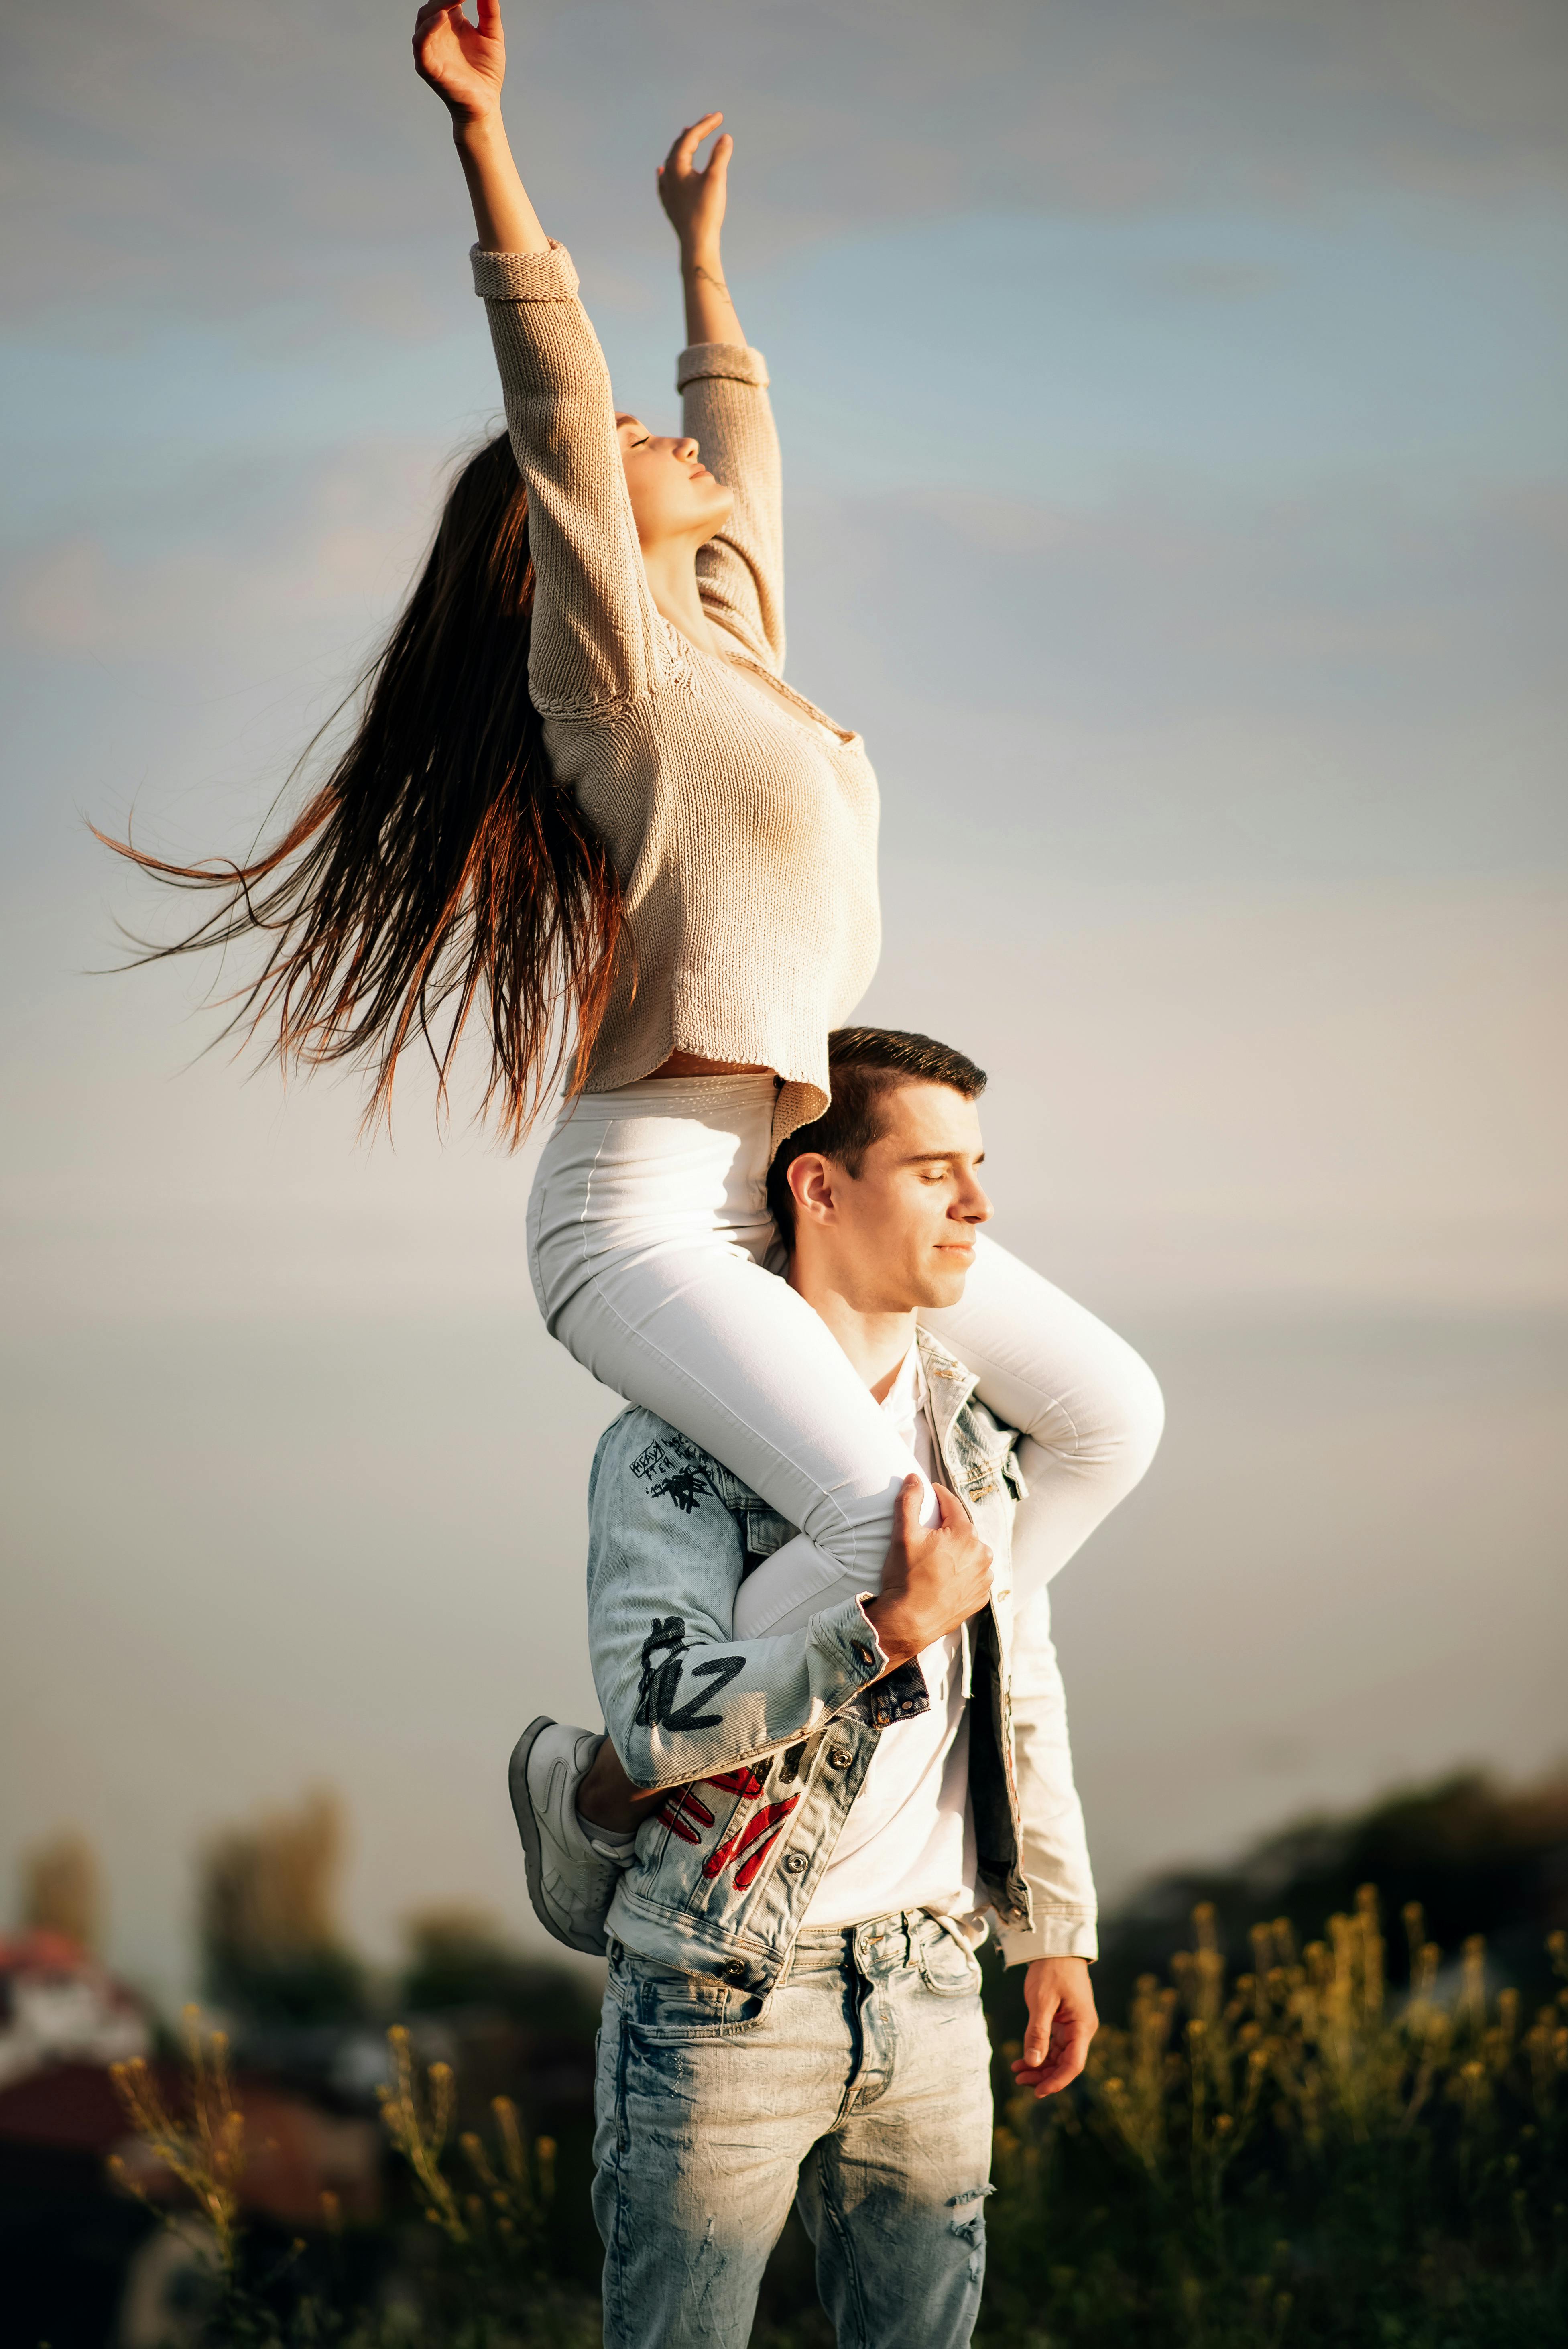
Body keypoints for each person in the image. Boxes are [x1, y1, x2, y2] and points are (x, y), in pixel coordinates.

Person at [102, 2, 1161, 1649]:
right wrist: (482, 139)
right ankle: (633, 1781)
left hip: (771, 1190)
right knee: (881, 1527)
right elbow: (553, 398)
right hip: (643, 1213)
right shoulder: (611, 678)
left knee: (1104, 1415)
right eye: (623, 450)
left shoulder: (732, 657)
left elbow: (737, 453)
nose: (656, 442)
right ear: (565, 528)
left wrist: (703, 264)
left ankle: (900, 1691)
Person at [513, 1027, 1100, 2349]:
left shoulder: (974, 1434)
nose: (979, 1208)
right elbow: (661, 1706)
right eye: (935, 1171)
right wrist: (883, 1627)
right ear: (817, 1190)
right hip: (721, 1993)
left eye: (981, 1169)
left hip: (934, 1980)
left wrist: (1053, 1926)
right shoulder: (671, 1445)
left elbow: (1021, 1684)